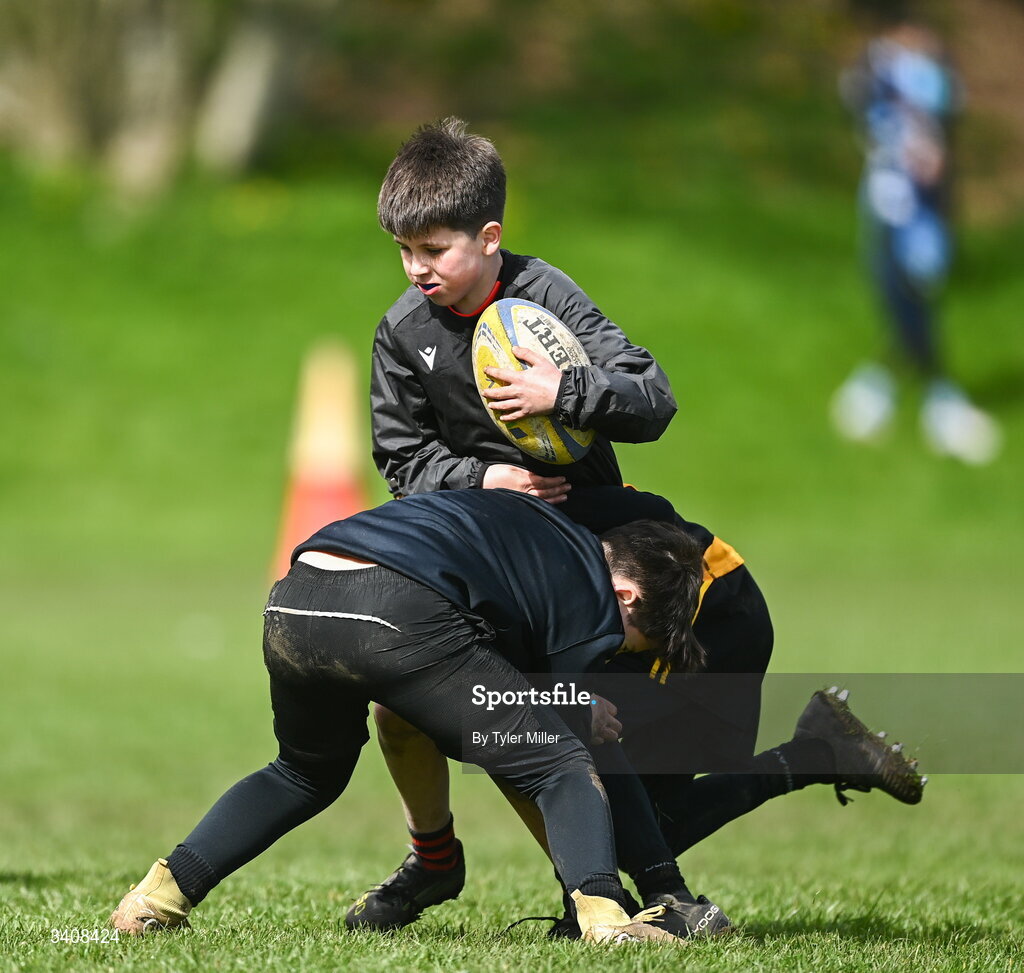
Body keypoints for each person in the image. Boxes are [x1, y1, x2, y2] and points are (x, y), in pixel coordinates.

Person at [356, 117, 924, 937]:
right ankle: (616, 870)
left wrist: (566, 392)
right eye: (404, 251)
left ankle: (661, 879)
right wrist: (487, 476)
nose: (417, 271)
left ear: (489, 236)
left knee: (622, 800)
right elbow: (403, 463)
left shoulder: (546, 299)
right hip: (556, 587)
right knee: (567, 762)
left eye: (435, 249)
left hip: (677, 604)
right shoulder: (404, 335)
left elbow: (651, 396)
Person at [108, 488, 709, 946]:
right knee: (560, 762)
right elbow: (554, 719)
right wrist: (580, 706)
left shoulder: (534, 530)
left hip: (296, 595)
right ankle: (607, 923)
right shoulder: (591, 591)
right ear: (628, 597)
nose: (613, 653)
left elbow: (496, 680)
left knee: (302, 773)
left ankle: (156, 898)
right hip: (393, 609)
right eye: (632, 644)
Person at [830, 19, 1001, 464]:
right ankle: (936, 399)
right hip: (891, 203)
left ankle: (886, 389)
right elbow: (865, 108)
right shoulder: (877, 65)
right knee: (901, 294)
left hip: (926, 211)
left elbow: (945, 128)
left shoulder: (931, 66)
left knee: (914, 298)